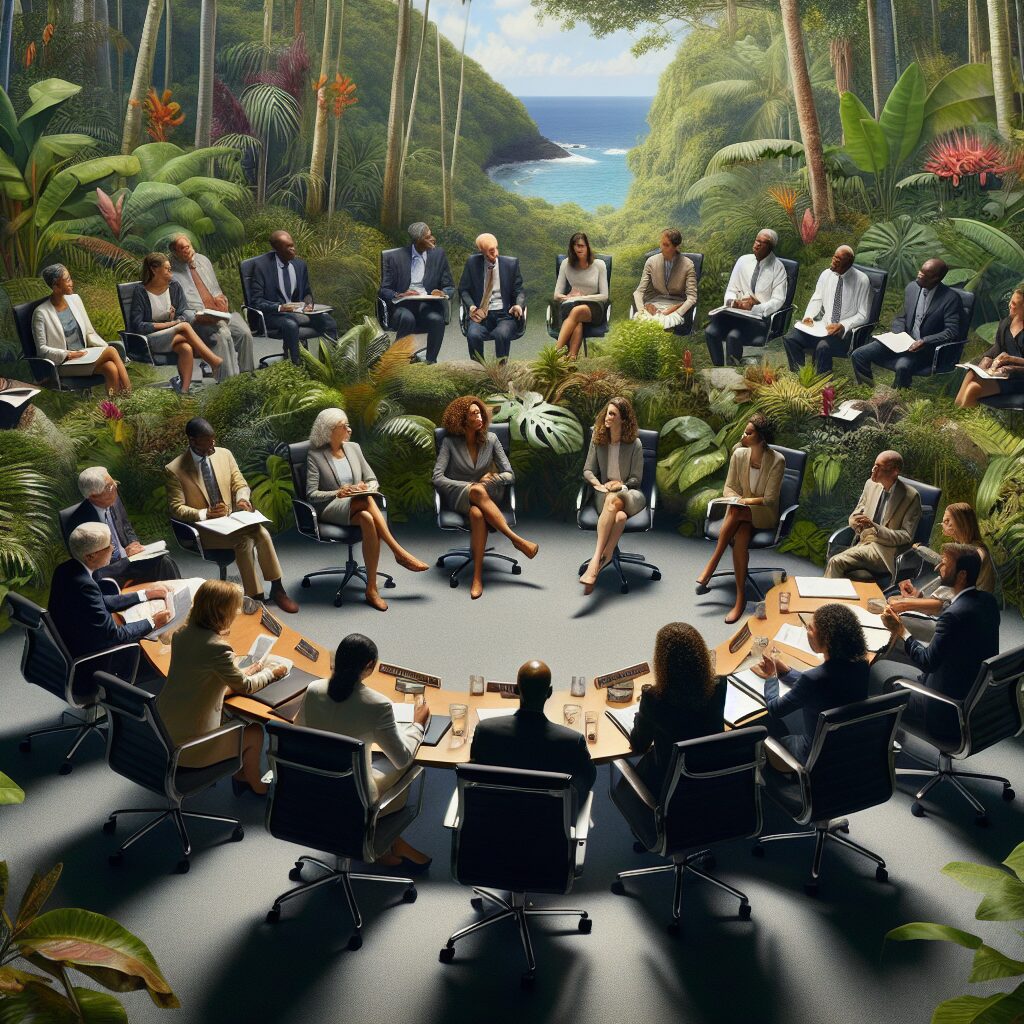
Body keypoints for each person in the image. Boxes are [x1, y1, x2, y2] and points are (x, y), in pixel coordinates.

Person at [298, 633, 431, 869]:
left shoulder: (313, 689)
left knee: (374, 759)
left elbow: (299, 734)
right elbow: (401, 759)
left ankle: (388, 843)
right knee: (407, 763)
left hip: (311, 789)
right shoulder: (377, 705)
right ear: (369, 666)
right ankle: (382, 840)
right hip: (355, 797)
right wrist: (417, 726)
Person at [157, 580, 286, 796]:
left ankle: (241, 774)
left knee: (235, 718)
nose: (236, 613)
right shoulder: (218, 648)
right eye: (234, 608)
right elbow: (245, 687)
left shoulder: (181, 635)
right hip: (186, 749)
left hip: (162, 731)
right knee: (254, 732)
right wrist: (271, 672)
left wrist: (246, 670)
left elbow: (200, 679)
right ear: (221, 612)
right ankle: (254, 783)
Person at [165, 417, 299, 613]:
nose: (213, 444)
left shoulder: (224, 455)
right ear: (193, 441)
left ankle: (278, 589)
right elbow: (176, 508)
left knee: (261, 532)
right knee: (244, 541)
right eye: (207, 441)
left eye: (213, 439)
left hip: (231, 521)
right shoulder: (174, 470)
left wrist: (242, 499)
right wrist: (205, 513)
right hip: (206, 530)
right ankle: (256, 597)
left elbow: (240, 483)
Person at [872, 544, 1000, 745]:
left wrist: (901, 631)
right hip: (976, 699)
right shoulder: (988, 602)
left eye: (946, 564)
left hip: (946, 710)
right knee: (917, 676)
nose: (940, 566)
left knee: (892, 684)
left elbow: (927, 662)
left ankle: (886, 748)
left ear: (961, 575)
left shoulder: (953, 615)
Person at [306, 408, 428, 611]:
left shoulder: (353, 448)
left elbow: (372, 479)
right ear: (329, 430)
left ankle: (371, 589)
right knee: (365, 501)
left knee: (367, 518)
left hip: (358, 504)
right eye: (343, 426)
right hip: (330, 508)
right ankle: (398, 552)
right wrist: (338, 492)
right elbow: (311, 494)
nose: (349, 429)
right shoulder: (315, 456)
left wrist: (366, 487)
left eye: (348, 424)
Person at [432, 396, 538, 600]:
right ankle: (516, 540)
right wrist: (470, 486)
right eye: (474, 414)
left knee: (477, 513)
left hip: (489, 494)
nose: (479, 417)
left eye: (480, 413)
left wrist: (493, 479)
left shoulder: (491, 439)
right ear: (462, 420)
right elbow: (438, 478)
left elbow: (510, 474)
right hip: (459, 496)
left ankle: (477, 577)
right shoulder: (449, 442)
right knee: (476, 496)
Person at [750, 603, 869, 763]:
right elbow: (821, 684)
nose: (807, 631)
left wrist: (771, 676)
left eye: (810, 628)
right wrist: (785, 671)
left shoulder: (812, 680)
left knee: (764, 738)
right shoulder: (862, 665)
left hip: (813, 753)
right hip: (848, 743)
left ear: (826, 640)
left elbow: (775, 709)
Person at [470, 659, 596, 808]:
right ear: (549, 692)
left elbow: (474, 774)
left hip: (493, 820)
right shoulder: (572, 742)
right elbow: (588, 777)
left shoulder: (485, 731)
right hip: (547, 826)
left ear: (516, 690)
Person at [696, 413, 785, 623]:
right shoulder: (739, 454)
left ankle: (712, 563)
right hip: (740, 515)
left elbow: (770, 500)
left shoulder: (777, 461)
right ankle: (740, 599)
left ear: (762, 438)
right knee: (740, 540)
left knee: (737, 511)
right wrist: (734, 498)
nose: (744, 435)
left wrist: (743, 502)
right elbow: (728, 487)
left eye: (749, 432)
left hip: (763, 514)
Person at [48, 522, 171, 659]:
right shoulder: (84, 584)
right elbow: (114, 636)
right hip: (95, 657)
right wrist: (153, 621)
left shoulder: (65, 569)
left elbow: (98, 600)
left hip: (73, 639)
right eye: (108, 546)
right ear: (91, 556)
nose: (113, 548)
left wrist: (144, 594)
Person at [628, 623, 724, 791]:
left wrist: (640, 716)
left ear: (661, 661)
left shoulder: (654, 699)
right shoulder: (719, 685)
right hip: (714, 772)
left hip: (671, 782)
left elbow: (639, 744)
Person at [887, 502, 995, 639]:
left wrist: (905, 604)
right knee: (892, 601)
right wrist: (918, 597)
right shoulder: (962, 549)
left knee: (893, 617)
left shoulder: (974, 555)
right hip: (953, 608)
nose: (943, 524)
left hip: (960, 622)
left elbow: (942, 603)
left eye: (947, 520)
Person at [851, 258, 961, 390]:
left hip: (924, 350)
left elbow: (952, 331)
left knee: (902, 367)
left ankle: (893, 402)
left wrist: (924, 341)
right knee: (859, 355)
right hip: (902, 342)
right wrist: (899, 333)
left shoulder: (950, 299)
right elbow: (901, 317)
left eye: (924, 274)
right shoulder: (912, 288)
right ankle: (867, 391)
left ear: (935, 278)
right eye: (920, 271)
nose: (919, 275)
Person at [66, 467, 181, 586]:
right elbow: (89, 563)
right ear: (93, 496)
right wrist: (125, 559)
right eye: (110, 486)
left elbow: (126, 525)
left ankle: (182, 600)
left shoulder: (113, 498)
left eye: (114, 482)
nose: (115, 486)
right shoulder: (77, 520)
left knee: (165, 562)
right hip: (107, 570)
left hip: (129, 559)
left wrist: (133, 543)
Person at [128, 252, 224, 394]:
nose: (171, 272)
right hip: (150, 339)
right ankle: (213, 361)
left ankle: (184, 392)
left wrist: (175, 321)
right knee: (184, 326)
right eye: (167, 269)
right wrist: (171, 324)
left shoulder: (174, 286)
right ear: (154, 269)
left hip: (174, 333)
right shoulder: (140, 292)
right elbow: (138, 325)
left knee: (186, 347)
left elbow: (185, 312)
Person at [579, 397, 645, 595]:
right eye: (608, 412)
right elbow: (588, 470)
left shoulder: (635, 444)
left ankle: (595, 559)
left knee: (614, 501)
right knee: (620, 516)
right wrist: (598, 485)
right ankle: (603, 559)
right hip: (604, 493)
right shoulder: (598, 440)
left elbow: (636, 478)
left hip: (629, 494)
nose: (607, 417)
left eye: (612, 414)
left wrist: (621, 484)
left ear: (623, 420)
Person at [32, 264, 131, 394]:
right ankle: (130, 394)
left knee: (111, 369)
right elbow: (42, 350)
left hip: (84, 355)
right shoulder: (41, 313)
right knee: (112, 351)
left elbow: (89, 332)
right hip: (64, 363)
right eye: (67, 280)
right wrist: (68, 354)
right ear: (55, 287)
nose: (71, 283)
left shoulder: (75, 299)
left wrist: (103, 348)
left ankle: (114, 409)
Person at [824, 450, 921, 580]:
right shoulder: (870, 484)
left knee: (836, 562)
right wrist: (855, 522)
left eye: (879, 467)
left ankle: (824, 599)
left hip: (884, 551)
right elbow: (856, 513)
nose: (873, 470)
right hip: (862, 542)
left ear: (895, 471)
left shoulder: (911, 497)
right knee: (837, 563)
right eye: (874, 465)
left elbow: (906, 536)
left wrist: (876, 528)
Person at [247, 230, 338, 364]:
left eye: (293, 245)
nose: (293, 249)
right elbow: (256, 302)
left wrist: (308, 304)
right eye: (288, 247)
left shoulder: (300, 265)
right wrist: (280, 307)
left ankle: (328, 362)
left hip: (299, 312)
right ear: (276, 249)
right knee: (290, 324)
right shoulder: (261, 267)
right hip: (274, 315)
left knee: (328, 321)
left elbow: (307, 292)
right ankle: (297, 364)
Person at [169, 234, 255, 377]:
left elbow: (216, 290)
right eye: (182, 249)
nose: (187, 251)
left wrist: (221, 299)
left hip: (219, 314)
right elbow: (180, 310)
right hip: (198, 320)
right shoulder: (171, 273)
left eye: (188, 246)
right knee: (222, 335)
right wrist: (198, 317)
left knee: (245, 333)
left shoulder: (203, 260)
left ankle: (247, 375)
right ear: (174, 252)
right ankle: (227, 383)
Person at [705, 229, 789, 366]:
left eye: (763, 243)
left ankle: (734, 374)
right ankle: (718, 369)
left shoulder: (778, 268)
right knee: (711, 332)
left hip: (757, 319)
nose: (757, 245)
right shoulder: (743, 261)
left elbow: (778, 300)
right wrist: (733, 302)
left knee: (733, 336)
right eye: (757, 240)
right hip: (735, 314)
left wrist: (755, 307)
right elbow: (732, 289)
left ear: (771, 247)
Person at [782, 245, 872, 375]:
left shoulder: (862, 280)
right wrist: (809, 317)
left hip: (843, 334)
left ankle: (821, 382)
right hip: (823, 328)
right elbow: (817, 298)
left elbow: (863, 315)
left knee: (823, 347)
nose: (833, 261)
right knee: (790, 338)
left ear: (849, 262)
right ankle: (799, 376)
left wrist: (842, 325)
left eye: (838, 259)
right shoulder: (826, 274)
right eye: (834, 257)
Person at [379, 221, 455, 364]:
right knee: (408, 319)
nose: (433, 239)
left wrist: (443, 293)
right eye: (428, 237)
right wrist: (398, 295)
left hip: (427, 305)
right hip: (403, 306)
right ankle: (397, 361)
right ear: (417, 240)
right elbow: (384, 290)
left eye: (431, 235)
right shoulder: (395, 257)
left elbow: (449, 286)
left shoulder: (438, 255)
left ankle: (430, 362)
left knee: (437, 319)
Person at [458, 232, 525, 361]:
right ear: (481, 251)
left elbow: (519, 290)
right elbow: (463, 289)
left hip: (505, 314)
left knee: (502, 334)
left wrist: (518, 305)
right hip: (481, 313)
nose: (496, 253)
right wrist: (472, 307)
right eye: (490, 251)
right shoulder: (472, 263)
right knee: (473, 335)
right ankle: (477, 370)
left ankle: (501, 371)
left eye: (496, 248)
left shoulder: (511, 264)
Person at [955, 285, 1024, 407]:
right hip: (1002, 373)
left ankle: (960, 415)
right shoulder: (1006, 322)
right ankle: (955, 412)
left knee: (973, 388)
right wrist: (985, 359)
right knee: (971, 372)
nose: (1009, 305)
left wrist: (1010, 360)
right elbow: (997, 347)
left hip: (1018, 377)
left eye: (1014, 304)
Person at [552, 231, 609, 358]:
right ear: (572, 248)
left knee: (576, 312)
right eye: (576, 246)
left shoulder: (599, 265)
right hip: (572, 305)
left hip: (595, 305)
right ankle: (572, 359)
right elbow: (556, 295)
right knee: (577, 320)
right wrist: (567, 297)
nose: (579, 249)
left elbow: (605, 296)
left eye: (582, 246)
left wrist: (581, 297)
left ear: (588, 247)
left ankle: (555, 353)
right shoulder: (565, 264)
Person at [631, 228, 697, 333]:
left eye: (666, 245)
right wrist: (642, 310)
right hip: (655, 304)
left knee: (660, 326)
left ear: (676, 247)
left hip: (676, 306)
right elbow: (638, 292)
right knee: (641, 324)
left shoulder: (687, 265)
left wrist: (677, 312)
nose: (662, 248)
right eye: (661, 244)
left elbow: (692, 298)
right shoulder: (651, 261)